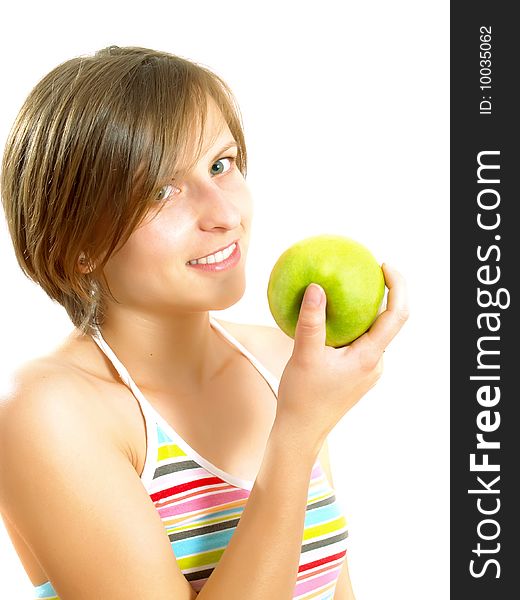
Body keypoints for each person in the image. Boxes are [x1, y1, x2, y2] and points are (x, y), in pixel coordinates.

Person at [0, 46, 408, 600]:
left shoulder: (279, 363)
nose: (224, 214)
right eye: (158, 191)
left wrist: (301, 414)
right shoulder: (44, 411)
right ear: (79, 249)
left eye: (221, 165)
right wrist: (296, 434)